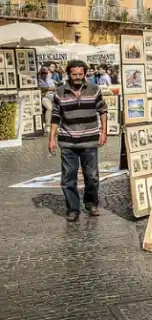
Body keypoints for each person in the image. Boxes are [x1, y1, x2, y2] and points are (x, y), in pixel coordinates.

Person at [49, 60, 108, 222]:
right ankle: (73, 209)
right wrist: (51, 138)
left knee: (92, 176)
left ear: (85, 74)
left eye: (80, 74)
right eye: (74, 74)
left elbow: (103, 110)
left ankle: (91, 204)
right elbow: (55, 116)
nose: (77, 77)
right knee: (68, 178)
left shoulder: (95, 90)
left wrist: (104, 132)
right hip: (68, 142)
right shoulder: (59, 92)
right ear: (68, 74)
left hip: (89, 141)